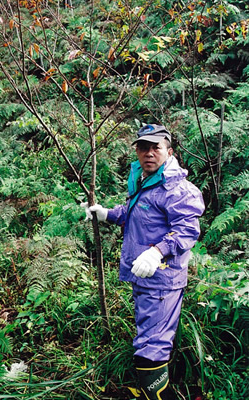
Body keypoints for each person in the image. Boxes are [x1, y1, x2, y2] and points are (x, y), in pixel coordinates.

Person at [82, 124, 205, 400]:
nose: (149, 153)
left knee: (151, 344)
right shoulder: (145, 181)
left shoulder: (176, 188)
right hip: (144, 278)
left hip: (161, 280)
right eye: (143, 147)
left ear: (169, 151)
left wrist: (158, 251)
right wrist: (106, 214)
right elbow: (134, 212)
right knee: (149, 336)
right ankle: (154, 390)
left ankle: (157, 395)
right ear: (136, 151)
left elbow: (187, 230)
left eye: (155, 147)